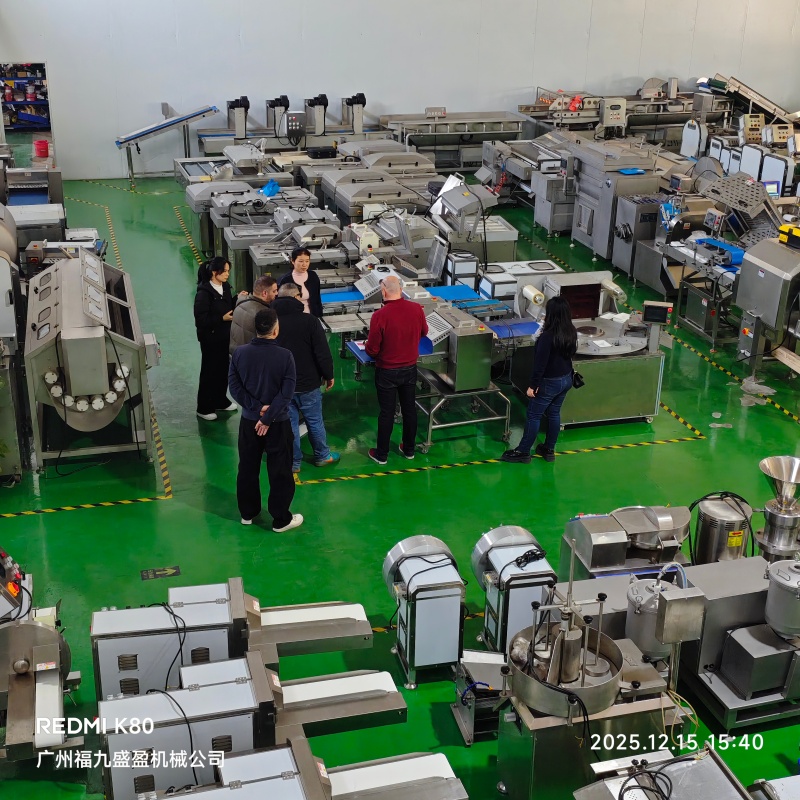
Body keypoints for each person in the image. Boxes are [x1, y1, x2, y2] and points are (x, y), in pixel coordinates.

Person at [228, 308, 303, 532]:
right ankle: (280, 519)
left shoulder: (240, 353)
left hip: (249, 422)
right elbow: (286, 393)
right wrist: (268, 417)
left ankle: (247, 513)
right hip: (277, 423)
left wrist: (256, 408)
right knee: (280, 470)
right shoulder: (285, 356)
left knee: (247, 467)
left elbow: (234, 387)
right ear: (275, 329)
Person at [501, 295, 578, 463]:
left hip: (549, 382)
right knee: (554, 413)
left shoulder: (547, 337)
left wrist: (533, 385)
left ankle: (523, 451)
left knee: (533, 415)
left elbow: (540, 365)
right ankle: (549, 449)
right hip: (566, 378)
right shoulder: (571, 331)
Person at [272, 283, 339, 472]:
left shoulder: (272, 321)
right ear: (296, 297)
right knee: (314, 420)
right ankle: (322, 456)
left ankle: (294, 462)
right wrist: (328, 375)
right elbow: (322, 352)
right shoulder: (310, 321)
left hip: (282, 384)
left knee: (290, 423)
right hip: (308, 382)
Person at [365, 275, 428, 465]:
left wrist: (368, 345)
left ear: (383, 291)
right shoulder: (416, 309)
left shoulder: (380, 316)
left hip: (387, 371)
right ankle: (409, 450)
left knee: (387, 412)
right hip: (410, 368)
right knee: (409, 409)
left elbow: (372, 349)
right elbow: (424, 332)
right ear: (401, 289)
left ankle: (382, 454)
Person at [194, 256, 243, 421]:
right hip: (210, 340)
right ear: (214, 272)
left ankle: (220, 400)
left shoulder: (225, 287)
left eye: (228, 271)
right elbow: (201, 320)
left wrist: (237, 299)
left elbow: (227, 307)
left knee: (223, 370)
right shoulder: (204, 294)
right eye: (225, 271)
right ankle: (204, 407)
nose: (228, 274)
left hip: (225, 337)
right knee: (209, 372)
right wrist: (221, 319)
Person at [229, 275, 278, 355]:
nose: (277, 293)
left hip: (235, 354)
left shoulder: (240, 302)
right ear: (264, 293)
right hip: (252, 356)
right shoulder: (263, 313)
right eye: (274, 291)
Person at [278, 246, 323, 318]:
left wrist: (319, 317)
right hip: (293, 318)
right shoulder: (285, 280)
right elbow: (281, 304)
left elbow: (317, 299)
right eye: (301, 261)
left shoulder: (313, 276)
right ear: (293, 261)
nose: (304, 264)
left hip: (311, 317)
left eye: (307, 261)